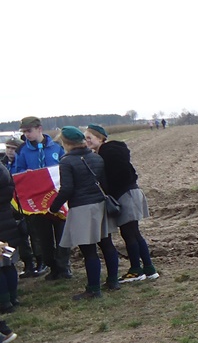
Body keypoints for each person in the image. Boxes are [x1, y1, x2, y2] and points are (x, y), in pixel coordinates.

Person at [46, 127, 121, 300]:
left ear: (66, 143)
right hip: (100, 205)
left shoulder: (66, 162)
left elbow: (67, 189)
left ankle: (93, 289)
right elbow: (104, 183)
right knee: (107, 244)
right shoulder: (96, 157)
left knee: (89, 251)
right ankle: (113, 281)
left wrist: (53, 208)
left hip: (82, 208)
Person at [84, 125, 159, 282]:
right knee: (134, 233)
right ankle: (149, 269)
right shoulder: (110, 151)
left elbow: (122, 173)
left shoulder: (108, 153)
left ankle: (136, 270)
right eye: (85, 138)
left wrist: (111, 189)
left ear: (100, 138)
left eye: (89, 138)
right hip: (130, 192)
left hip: (125, 195)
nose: (87, 141)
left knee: (129, 233)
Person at [12, 116, 71, 280]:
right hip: (36, 204)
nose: (26, 135)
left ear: (39, 129)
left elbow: (64, 168)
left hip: (56, 199)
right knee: (43, 239)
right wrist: (26, 174)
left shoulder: (57, 148)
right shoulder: (22, 150)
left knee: (62, 236)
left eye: (29, 131)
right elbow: (17, 173)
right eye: (23, 132)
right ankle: (51, 266)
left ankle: (64, 267)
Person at [4, 136, 39, 278]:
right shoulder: (3, 164)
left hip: (24, 204)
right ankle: (20, 264)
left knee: (29, 236)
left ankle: (35, 262)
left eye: (13, 148)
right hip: (9, 207)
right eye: (8, 148)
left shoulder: (21, 164)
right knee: (14, 238)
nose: (10, 151)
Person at [0, 165, 21, 312]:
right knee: (9, 263)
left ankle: (4, 302)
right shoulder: (4, 170)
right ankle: (13, 297)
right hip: (7, 220)